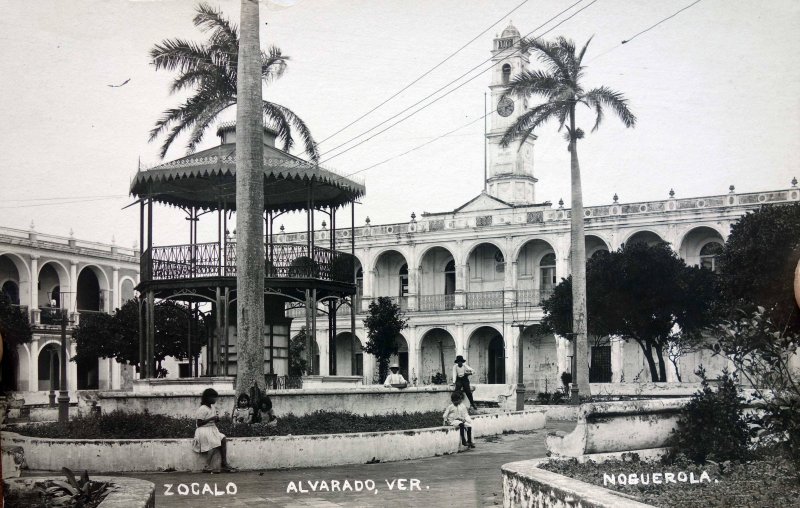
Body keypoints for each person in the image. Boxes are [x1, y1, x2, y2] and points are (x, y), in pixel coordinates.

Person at [192, 388, 236, 473]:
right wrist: (211, 418)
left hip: (212, 428)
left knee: (223, 438)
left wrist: (216, 419)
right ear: (207, 398)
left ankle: (224, 463)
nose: (215, 399)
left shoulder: (212, 407)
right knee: (214, 442)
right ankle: (206, 466)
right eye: (213, 397)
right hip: (203, 430)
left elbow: (214, 420)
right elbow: (199, 423)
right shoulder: (202, 409)